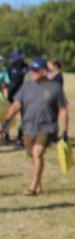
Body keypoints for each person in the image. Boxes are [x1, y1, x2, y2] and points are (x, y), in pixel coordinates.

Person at [1, 58, 69, 196]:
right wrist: (6, 122)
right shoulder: (27, 86)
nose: (32, 72)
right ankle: (38, 184)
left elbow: (63, 110)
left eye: (35, 70)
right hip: (28, 127)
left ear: (44, 71)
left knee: (37, 153)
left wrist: (64, 131)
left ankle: (32, 187)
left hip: (47, 127)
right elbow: (16, 105)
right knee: (32, 157)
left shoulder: (55, 88)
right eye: (31, 70)